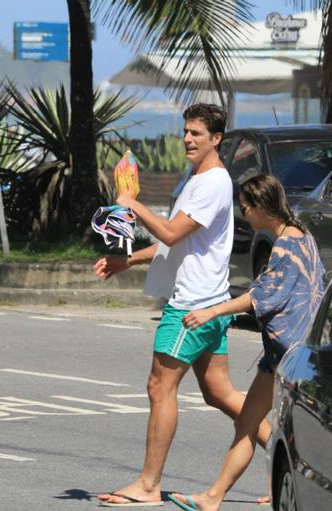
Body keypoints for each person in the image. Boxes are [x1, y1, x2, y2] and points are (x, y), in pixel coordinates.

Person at [94, 103, 255, 507]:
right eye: (185, 131)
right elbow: (178, 244)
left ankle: (149, 486)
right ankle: (290, 455)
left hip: (191, 307)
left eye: (196, 133)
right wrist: (126, 260)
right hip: (211, 303)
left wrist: (132, 203)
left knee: (159, 387)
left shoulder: (212, 183)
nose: (187, 138)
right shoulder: (200, 179)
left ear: (216, 139)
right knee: (220, 394)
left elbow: (169, 232)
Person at [169, 174, 325, 511]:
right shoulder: (304, 236)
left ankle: (217, 497)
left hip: (289, 355)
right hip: (289, 353)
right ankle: (256, 490)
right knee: (250, 424)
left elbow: (262, 297)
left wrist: (211, 311)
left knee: (270, 427)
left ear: (262, 207)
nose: (245, 215)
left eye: (246, 208)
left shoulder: (286, 245)